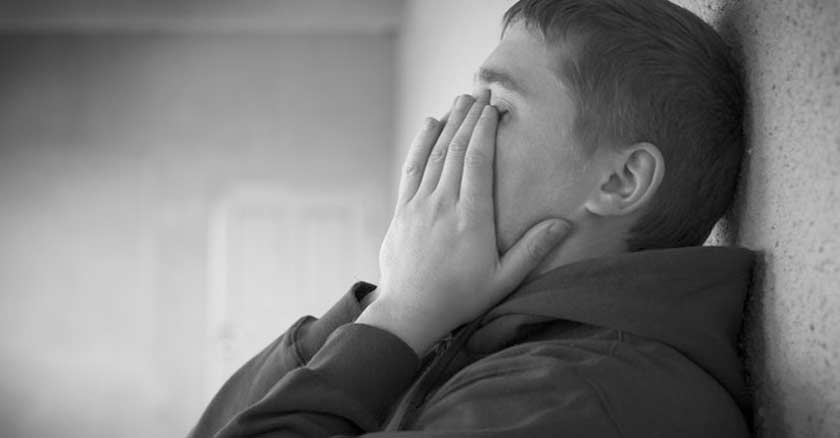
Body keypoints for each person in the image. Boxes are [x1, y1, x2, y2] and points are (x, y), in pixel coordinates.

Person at [189, 0, 753, 436]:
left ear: (620, 181)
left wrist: (400, 318)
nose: (453, 130)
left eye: (499, 107)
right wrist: (391, 303)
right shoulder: (485, 340)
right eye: (470, 98)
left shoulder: (573, 399)